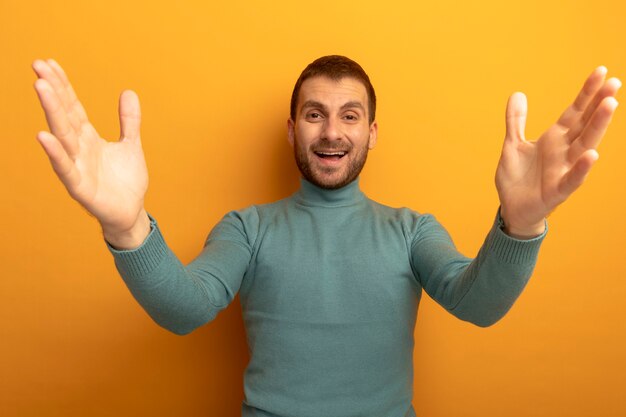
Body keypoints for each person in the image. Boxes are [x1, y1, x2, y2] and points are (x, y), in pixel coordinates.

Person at [32, 56, 620, 417]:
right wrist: (125, 223)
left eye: (349, 115)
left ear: (372, 132)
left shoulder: (412, 230)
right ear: (292, 130)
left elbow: (479, 305)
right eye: (314, 114)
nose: (331, 131)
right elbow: (187, 308)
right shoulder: (248, 228)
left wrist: (522, 223)